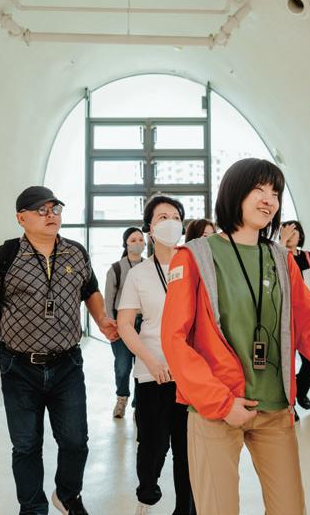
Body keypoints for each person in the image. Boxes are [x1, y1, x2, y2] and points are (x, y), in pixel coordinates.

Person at [162, 158, 310, 515]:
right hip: (217, 409)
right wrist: (221, 404)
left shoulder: (281, 259)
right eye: (258, 189)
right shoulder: (194, 256)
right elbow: (174, 340)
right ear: (234, 193)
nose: (268, 200)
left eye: (275, 193)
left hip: (274, 407)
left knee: (290, 508)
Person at [0, 186, 117, 515]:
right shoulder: (2, 257)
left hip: (67, 365)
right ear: (21, 218)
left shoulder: (76, 253)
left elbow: (90, 290)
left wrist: (102, 319)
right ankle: (33, 507)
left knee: (75, 440)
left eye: (55, 208)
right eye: (41, 210)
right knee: (25, 445)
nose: (51, 215)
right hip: (18, 367)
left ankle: (68, 495)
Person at [116, 195, 196, 515]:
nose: (170, 222)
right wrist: (150, 360)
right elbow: (124, 324)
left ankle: (185, 510)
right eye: (163, 217)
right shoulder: (139, 274)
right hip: (153, 372)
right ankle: (147, 491)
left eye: (175, 216)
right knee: (153, 445)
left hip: (189, 374)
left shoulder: (194, 266)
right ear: (150, 228)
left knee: (187, 450)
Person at [278, 220, 310, 420]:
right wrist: (282, 244)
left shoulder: (307, 255)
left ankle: (301, 390)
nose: (291, 235)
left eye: (295, 231)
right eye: (287, 232)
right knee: (287, 363)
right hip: (287, 316)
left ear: (300, 235)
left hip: (308, 317)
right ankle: (290, 405)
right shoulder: (279, 254)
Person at [105, 226, 145, 418]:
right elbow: (108, 300)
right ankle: (122, 398)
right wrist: (111, 325)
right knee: (122, 367)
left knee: (142, 367)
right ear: (126, 244)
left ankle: (139, 405)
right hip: (121, 324)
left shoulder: (150, 267)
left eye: (141, 240)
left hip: (144, 324)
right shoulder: (116, 268)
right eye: (133, 240)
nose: (138, 244)